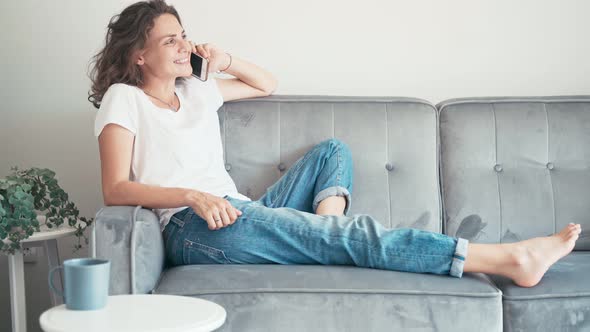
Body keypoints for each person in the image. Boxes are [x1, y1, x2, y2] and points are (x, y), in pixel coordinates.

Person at [89, 0, 581, 288]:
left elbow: (267, 84)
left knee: (332, 151)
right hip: (192, 227)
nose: (183, 46)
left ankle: (327, 238)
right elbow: (115, 188)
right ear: (138, 54)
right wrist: (191, 195)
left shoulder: (196, 91)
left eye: (184, 36)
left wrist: (225, 58)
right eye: (170, 40)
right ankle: (508, 260)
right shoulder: (124, 100)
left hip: (238, 210)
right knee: (347, 234)